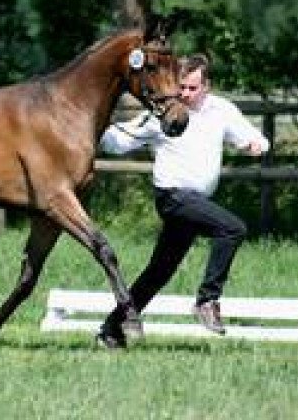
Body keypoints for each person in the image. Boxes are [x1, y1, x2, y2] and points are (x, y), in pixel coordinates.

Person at [97, 53, 269, 348]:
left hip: (195, 203)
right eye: (182, 88)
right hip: (173, 198)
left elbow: (251, 136)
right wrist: (94, 125)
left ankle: (112, 330)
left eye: (192, 88)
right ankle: (207, 300)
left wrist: (256, 145)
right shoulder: (164, 115)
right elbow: (118, 142)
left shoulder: (221, 111)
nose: (185, 95)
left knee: (160, 271)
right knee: (233, 228)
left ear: (207, 86)